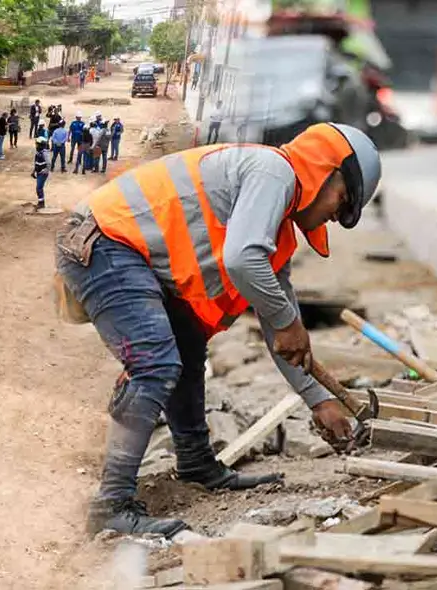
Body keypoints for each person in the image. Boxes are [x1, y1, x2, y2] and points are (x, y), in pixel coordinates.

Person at [55, 123, 382, 537]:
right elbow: (246, 264)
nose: (337, 214)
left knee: (187, 349)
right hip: (104, 242)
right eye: (343, 199)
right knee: (155, 364)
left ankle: (195, 462)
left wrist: (319, 400)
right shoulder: (273, 172)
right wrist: (288, 323)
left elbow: (276, 320)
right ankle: (112, 505)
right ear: (326, 170)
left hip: (124, 250)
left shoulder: (274, 221)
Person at [32, 137, 49, 210]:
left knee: (39, 187)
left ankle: (41, 203)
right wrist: (34, 171)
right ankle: (40, 203)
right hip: (39, 172)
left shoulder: (44, 153)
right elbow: (36, 163)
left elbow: (49, 163)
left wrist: (45, 170)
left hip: (43, 173)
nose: (36, 146)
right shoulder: (38, 152)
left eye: (38, 144)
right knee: (38, 188)